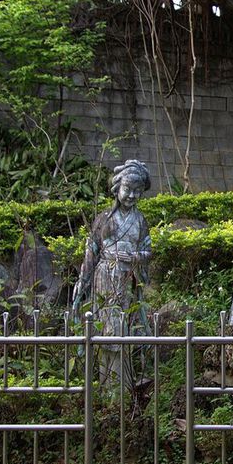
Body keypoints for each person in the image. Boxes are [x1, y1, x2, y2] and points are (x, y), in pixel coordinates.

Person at [72, 160, 152, 387]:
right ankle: (106, 381)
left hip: (127, 280)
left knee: (125, 326)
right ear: (117, 188)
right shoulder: (104, 219)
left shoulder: (140, 221)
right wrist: (82, 280)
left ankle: (124, 382)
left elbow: (148, 250)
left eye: (137, 192)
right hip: (104, 278)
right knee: (106, 326)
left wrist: (136, 256)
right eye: (128, 190)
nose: (132, 196)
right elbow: (91, 251)